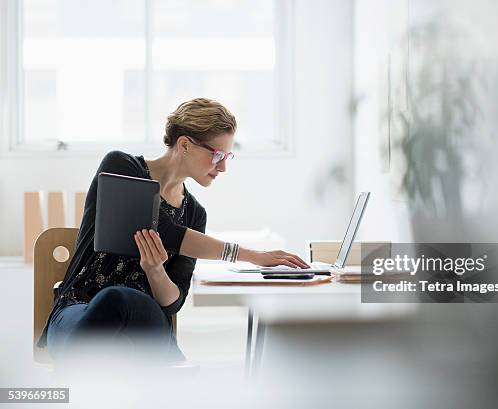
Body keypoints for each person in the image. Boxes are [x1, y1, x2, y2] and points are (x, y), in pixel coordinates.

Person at [37, 98, 309, 365]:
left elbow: (172, 303)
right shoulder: (121, 167)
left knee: (125, 303)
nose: (223, 166)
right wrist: (253, 255)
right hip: (80, 309)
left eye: (227, 157)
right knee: (112, 299)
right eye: (217, 155)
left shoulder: (195, 214)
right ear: (185, 145)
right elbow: (166, 231)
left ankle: (86, 374)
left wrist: (155, 271)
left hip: (144, 320)